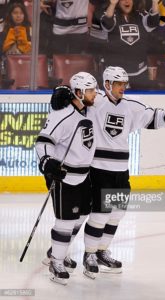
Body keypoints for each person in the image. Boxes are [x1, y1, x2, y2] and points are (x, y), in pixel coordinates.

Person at [81, 66, 165, 278]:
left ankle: (102, 251)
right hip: (99, 169)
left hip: (120, 170)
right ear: (107, 84)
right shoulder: (94, 103)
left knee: (117, 214)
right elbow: (74, 104)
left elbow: (153, 117)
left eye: (124, 84)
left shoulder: (131, 107)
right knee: (100, 214)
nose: (123, 87)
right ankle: (89, 254)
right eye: (118, 84)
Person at [35, 73, 98, 285]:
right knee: (65, 221)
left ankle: (59, 251)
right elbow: (43, 141)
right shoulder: (62, 114)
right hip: (64, 176)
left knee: (80, 217)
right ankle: (56, 261)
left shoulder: (93, 110)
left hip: (84, 175)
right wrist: (47, 162)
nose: (94, 94)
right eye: (90, 90)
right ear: (79, 93)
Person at [99, 0, 160, 90]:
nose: (127, 1)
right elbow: (107, 24)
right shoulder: (111, 14)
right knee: (118, 103)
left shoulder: (140, 15)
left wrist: (155, 2)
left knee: (140, 102)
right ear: (118, 2)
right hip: (116, 74)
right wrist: (112, 4)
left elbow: (153, 22)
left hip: (139, 72)